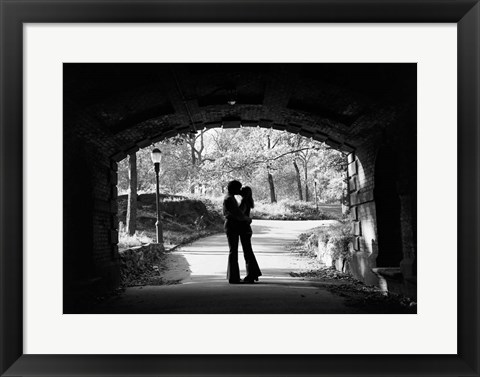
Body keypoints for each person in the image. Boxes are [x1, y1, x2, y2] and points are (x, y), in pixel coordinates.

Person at [223, 180, 252, 284]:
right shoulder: (229, 199)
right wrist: (247, 219)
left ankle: (233, 276)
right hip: (231, 226)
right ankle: (233, 277)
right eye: (238, 188)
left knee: (233, 250)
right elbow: (238, 214)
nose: (240, 190)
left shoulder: (230, 198)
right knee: (233, 251)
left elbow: (238, 213)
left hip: (233, 226)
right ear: (234, 189)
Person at [239, 186, 262, 283]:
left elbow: (240, 214)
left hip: (244, 228)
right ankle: (254, 273)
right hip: (247, 229)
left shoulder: (244, 202)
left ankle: (251, 274)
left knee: (247, 253)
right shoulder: (248, 201)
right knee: (249, 252)